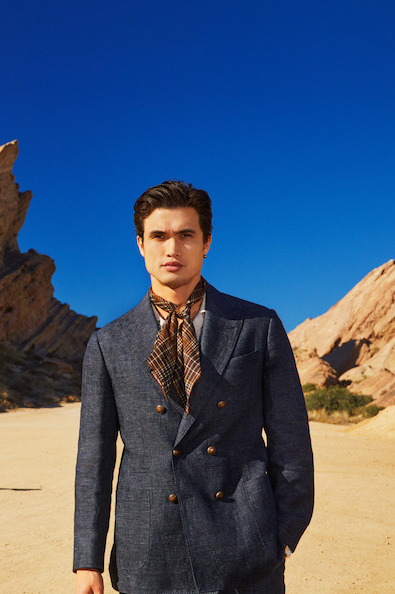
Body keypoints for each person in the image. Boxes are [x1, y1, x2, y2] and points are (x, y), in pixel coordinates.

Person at [73, 181, 314, 593]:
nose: (172, 248)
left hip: (245, 549)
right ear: (140, 245)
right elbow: (93, 462)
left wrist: (282, 537)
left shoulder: (257, 326)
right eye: (159, 236)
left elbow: (290, 439)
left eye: (186, 235)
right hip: (148, 551)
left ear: (206, 243)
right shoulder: (108, 343)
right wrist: (87, 562)